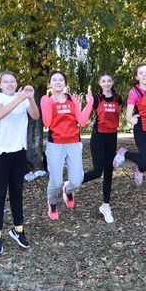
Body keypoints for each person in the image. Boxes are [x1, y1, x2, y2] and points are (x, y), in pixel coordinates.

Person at [0, 70, 39, 255]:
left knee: (17, 192)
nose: (10, 84)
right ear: (0, 84)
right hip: (1, 153)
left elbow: (35, 115)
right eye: (6, 81)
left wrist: (31, 98)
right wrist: (19, 98)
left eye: (13, 81)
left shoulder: (23, 99)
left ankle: (19, 230)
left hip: (19, 151)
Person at [40, 70, 92, 221]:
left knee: (77, 181)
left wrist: (89, 104)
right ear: (50, 83)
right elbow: (47, 122)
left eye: (61, 80)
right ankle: (52, 202)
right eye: (54, 79)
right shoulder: (46, 99)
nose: (58, 82)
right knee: (56, 181)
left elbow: (82, 121)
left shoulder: (72, 99)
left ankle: (68, 190)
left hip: (73, 143)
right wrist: (51, 101)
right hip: (56, 144)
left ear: (65, 83)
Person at [82, 73, 123, 223]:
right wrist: (88, 105)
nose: (106, 83)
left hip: (112, 137)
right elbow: (85, 116)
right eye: (103, 81)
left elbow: (116, 115)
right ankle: (73, 183)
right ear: (100, 83)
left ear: (112, 82)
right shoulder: (96, 99)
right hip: (98, 137)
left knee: (109, 172)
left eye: (109, 81)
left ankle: (106, 205)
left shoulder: (118, 98)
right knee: (97, 172)